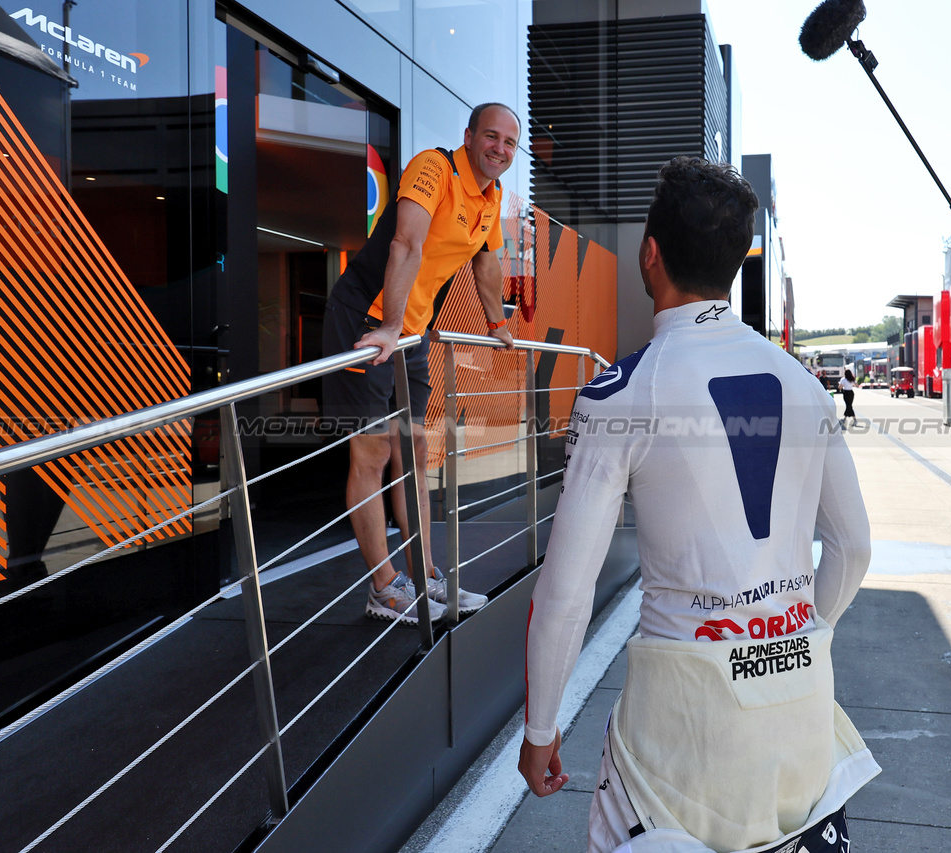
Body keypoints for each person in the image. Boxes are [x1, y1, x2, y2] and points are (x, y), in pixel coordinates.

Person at [518, 157, 879, 853]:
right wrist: (792, 637)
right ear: (737, 263)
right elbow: (854, 548)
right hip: (801, 721)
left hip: (676, 743)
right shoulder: (805, 384)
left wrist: (540, 731)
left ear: (649, 255)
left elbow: (563, 594)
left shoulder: (618, 392)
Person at [322, 103, 519, 625]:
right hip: (367, 317)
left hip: (413, 330)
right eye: (491, 136)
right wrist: (388, 327)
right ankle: (384, 589)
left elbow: (487, 263)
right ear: (470, 136)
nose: (500, 148)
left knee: (413, 449)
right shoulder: (435, 168)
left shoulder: (491, 197)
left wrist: (498, 325)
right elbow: (405, 243)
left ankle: (426, 578)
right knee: (371, 452)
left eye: (509, 142)